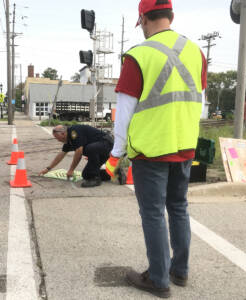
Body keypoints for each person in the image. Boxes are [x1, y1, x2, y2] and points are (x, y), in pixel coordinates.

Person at [105, 0, 207, 298]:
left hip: (151, 151)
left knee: (152, 213)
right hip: (185, 146)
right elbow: (197, 102)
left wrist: (115, 155)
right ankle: (180, 271)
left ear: (144, 19)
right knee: (178, 207)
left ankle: (159, 280)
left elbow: (124, 113)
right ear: (170, 16)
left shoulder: (138, 55)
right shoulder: (195, 52)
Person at [39, 124, 113, 187]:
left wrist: (71, 170)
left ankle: (96, 179)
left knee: (88, 149)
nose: (58, 140)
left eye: (57, 137)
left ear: (63, 133)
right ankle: (111, 173)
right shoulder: (68, 140)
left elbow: (79, 152)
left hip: (106, 143)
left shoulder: (74, 132)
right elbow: (61, 154)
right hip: (98, 150)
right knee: (86, 175)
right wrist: (48, 169)